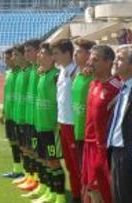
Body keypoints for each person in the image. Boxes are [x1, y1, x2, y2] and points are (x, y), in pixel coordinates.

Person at [81, 45, 120, 203]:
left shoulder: (116, 87)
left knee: (106, 193)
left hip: (103, 149)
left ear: (109, 62)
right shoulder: (93, 84)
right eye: (90, 59)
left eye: (95, 59)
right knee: (91, 190)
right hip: (88, 145)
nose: (90, 63)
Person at [107, 45, 132, 203]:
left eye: (120, 59)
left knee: (129, 196)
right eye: (116, 58)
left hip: (129, 152)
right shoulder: (123, 87)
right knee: (118, 196)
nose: (115, 62)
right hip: (115, 150)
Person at [31, 43, 65, 203]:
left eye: (42, 54)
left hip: (52, 127)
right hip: (40, 125)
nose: (39, 56)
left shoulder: (56, 75)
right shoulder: (42, 74)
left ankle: (60, 196)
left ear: (52, 58)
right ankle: (49, 191)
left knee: (54, 161)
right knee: (45, 159)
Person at [51, 38, 82, 203]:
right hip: (62, 123)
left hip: (73, 124)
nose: (53, 57)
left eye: (56, 53)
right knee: (69, 164)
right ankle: (76, 195)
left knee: (77, 166)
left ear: (67, 53)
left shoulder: (77, 71)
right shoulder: (62, 71)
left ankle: (81, 196)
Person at [19, 39, 42, 193]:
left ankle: (40, 184)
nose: (26, 53)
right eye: (25, 51)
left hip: (38, 119)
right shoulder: (32, 69)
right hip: (28, 116)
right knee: (28, 150)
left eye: (29, 51)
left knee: (39, 154)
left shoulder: (41, 70)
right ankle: (31, 178)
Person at [72, 39, 96, 169]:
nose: (75, 54)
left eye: (79, 51)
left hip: (88, 134)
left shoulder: (94, 77)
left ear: (89, 55)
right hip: (76, 130)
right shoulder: (78, 75)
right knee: (80, 168)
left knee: (88, 170)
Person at [0, 47, 23, 179]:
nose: (7, 60)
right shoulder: (8, 73)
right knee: (12, 142)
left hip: (18, 115)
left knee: (23, 145)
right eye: (6, 58)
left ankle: (26, 172)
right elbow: (6, 94)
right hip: (9, 114)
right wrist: (2, 112)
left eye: (9, 58)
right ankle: (16, 169)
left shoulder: (21, 73)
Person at [11, 44, 31, 188]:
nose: (13, 58)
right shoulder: (20, 72)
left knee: (33, 151)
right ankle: (28, 176)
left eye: (16, 55)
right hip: (20, 117)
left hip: (29, 118)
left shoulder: (31, 72)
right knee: (24, 148)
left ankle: (35, 180)